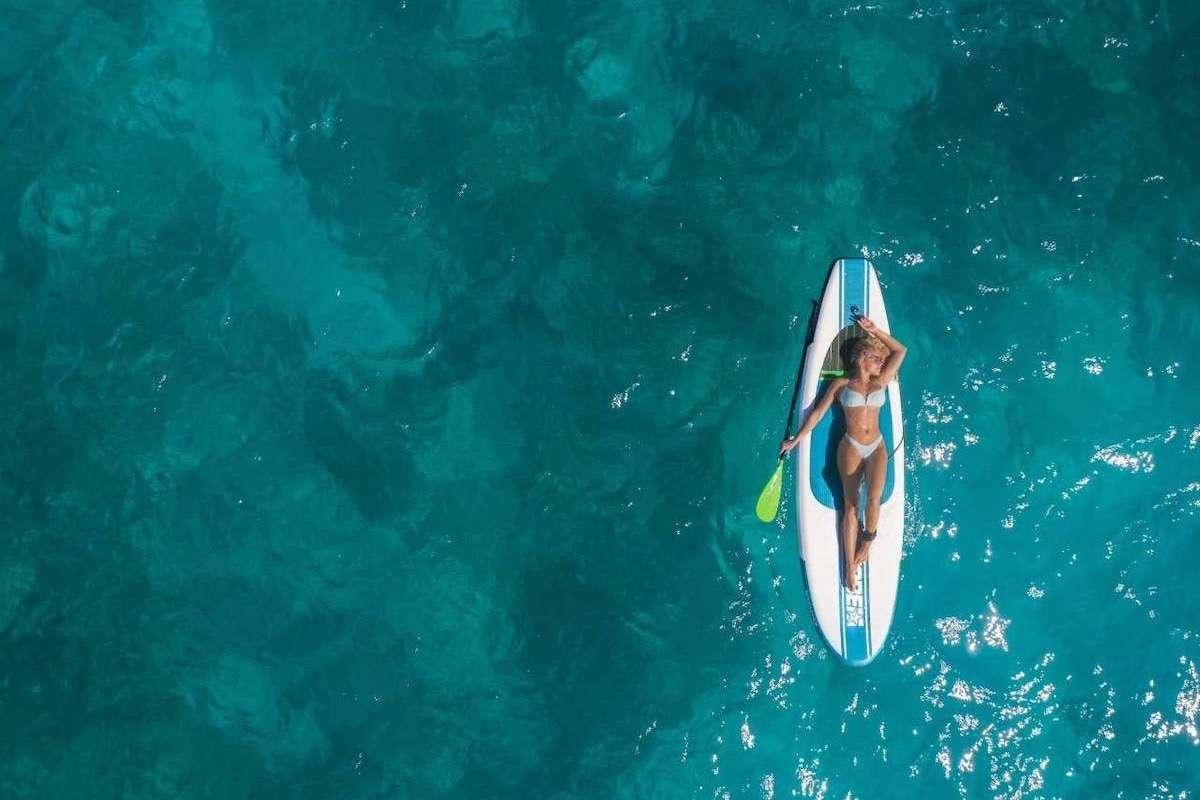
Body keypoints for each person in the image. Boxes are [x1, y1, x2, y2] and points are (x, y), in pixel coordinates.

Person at [779, 317, 907, 591]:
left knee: (872, 501)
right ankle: (849, 566)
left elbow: (900, 351)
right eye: (876, 359)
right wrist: (797, 439)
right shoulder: (840, 386)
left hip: (876, 448)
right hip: (849, 447)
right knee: (850, 506)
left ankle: (868, 542)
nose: (881, 365)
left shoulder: (881, 382)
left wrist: (875, 331)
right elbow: (818, 413)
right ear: (864, 358)